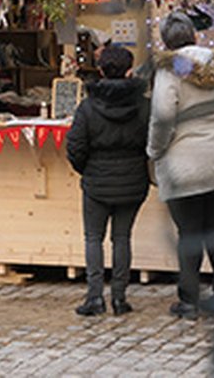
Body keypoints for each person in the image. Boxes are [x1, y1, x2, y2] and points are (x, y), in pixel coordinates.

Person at [149, 12, 214, 320]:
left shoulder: (169, 70)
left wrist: (154, 150)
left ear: (165, 41)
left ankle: (189, 300)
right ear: (195, 35)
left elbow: (162, 116)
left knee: (188, 232)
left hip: (182, 162)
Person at [66, 47, 150, 316]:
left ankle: (94, 297)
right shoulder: (144, 105)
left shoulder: (88, 106)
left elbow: (75, 147)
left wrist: (87, 170)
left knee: (93, 238)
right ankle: (119, 298)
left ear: (100, 70)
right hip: (133, 179)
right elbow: (153, 143)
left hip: (96, 181)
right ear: (129, 70)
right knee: (122, 238)